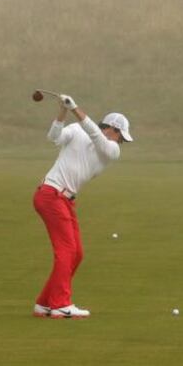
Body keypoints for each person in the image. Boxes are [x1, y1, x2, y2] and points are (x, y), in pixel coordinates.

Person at [32, 94, 133, 319]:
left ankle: (45, 302)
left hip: (65, 200)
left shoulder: (111, 151)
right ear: (112, 129)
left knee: (76, 254)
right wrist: (63, 111)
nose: (121, 143)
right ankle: (60, 304)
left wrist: (76, 109)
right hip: (50, 194)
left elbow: (96, 136)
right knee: (66, 251)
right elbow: (53, 137)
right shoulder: (77, 131)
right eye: (121, 137)